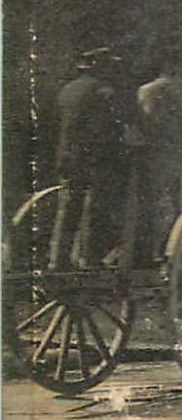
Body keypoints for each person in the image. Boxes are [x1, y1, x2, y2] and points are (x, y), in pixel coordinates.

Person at [54, 47, 125, 268]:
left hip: (67, 156)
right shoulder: (103, 91)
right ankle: (92, 259)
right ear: (100, 68)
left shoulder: (67, 90)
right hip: (94, 158)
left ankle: (59, 260)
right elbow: (107, 129)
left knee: (69, 208)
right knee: (96, 208)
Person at [137, 52, 182, 260]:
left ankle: (152, 251)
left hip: (157, 156)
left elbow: (145, 124)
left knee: (153, 204)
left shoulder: (146, 91)